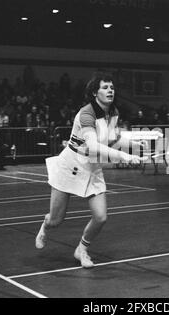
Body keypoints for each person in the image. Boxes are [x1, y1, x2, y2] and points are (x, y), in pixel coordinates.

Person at [35, 74, 145, 268]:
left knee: (101, 217)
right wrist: (124, 156)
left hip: (92, 167)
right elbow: (94, 146)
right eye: (105, 87)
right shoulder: (86, 114)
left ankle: (82, 249)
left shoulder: (113, 112)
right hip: (70, 165)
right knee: (56, 220)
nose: (110, 90)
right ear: (95, 92)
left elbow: (113, 139)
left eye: (112, 87)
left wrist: (134, 144)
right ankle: (45, 225)